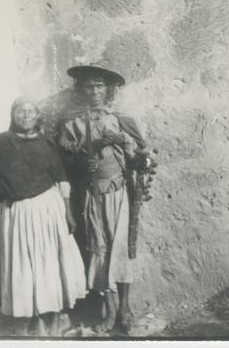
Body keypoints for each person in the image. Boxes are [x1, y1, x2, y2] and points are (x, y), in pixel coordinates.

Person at [0, 96, 87, 336]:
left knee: (50, 265)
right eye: (20, 111)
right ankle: (30, 323)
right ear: (13, 115)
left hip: (48, 208)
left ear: (37, 117)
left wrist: (68, 211)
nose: (25, 116)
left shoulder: (46, 144)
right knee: (24, 265)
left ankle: (53, 322)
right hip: (18, 212)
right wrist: (2, 189)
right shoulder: (2, 143)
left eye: (30, 111)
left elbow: (61, 178)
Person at [55, 65, 150, 334]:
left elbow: (138, 156)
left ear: (107, 89)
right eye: (89, 86)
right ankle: (108, 309)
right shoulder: (72, 123)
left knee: (120, 247)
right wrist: (80, 167)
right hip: (92, 195)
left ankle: (125, 309)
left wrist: (129, 149)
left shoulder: (119, 119)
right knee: (99, 248)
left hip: (118, 192)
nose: (95, 91)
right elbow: (65, 161)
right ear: (81, 90)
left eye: (99, 86)